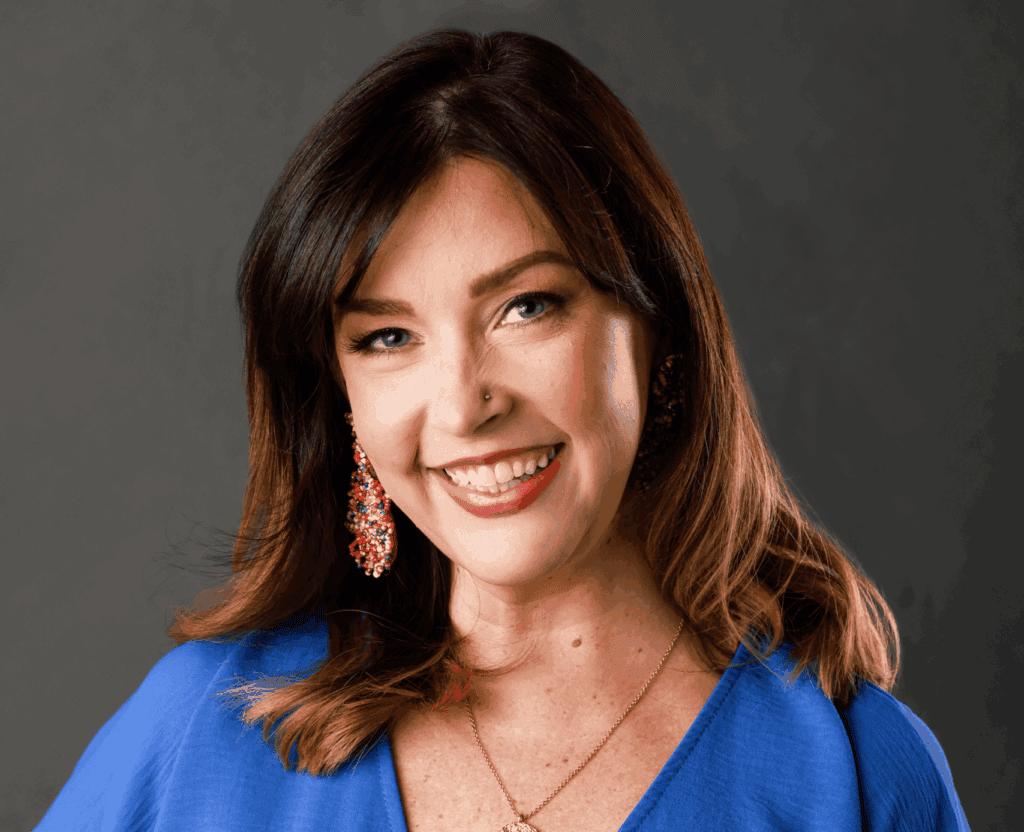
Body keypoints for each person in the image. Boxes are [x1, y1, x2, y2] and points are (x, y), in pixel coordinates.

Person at [35, 29, 969, 832]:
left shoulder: (853, 774)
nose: (462, 403)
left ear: (659, 333)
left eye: (526, 307)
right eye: (389, 336)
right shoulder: (204, 727)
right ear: (345, 398)